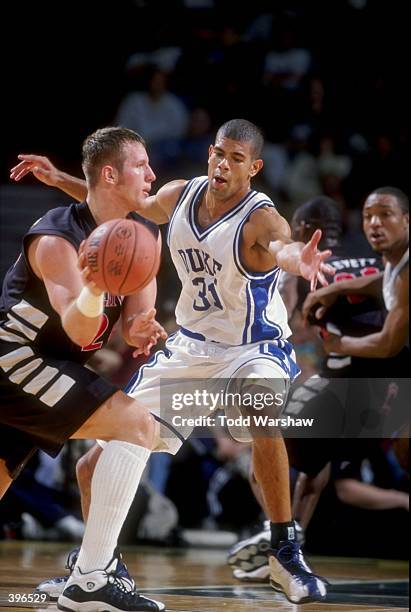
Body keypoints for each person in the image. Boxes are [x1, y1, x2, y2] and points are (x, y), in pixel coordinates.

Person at [11, 118, 334, 604]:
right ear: (209, 153)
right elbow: (125, 201)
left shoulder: (260, 217)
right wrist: (62, 181)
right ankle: (96, 568)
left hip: (253, 347)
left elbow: (282, 247)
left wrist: (298, 260)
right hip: (192, 348)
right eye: (219, 154)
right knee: (94, 464)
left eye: (237, 159)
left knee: (259, 408)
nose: (224, 165)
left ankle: (284, 548)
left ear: (255, 168)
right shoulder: (180, 194)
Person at [3, 126, 167, 612]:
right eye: (142, 165)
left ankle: (91, 573)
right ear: (112, 173)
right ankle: (93, 580)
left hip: (42, 366)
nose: (152, 175)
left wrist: (140, 328)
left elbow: (138, 314)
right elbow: (78, 330)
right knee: (138, 424)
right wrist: (95, 290)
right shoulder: (56, 237)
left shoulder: (141, 236)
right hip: (16, 359)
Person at [228, 188, 409, 580]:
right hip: (390, 390)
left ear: (304, 229)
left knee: (265, 450)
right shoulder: (381, 260)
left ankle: (280, 536)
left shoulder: (303, 265)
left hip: (349, 376)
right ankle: (293, 537)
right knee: (319, 464)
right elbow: (383, 289)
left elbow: (288, 326)